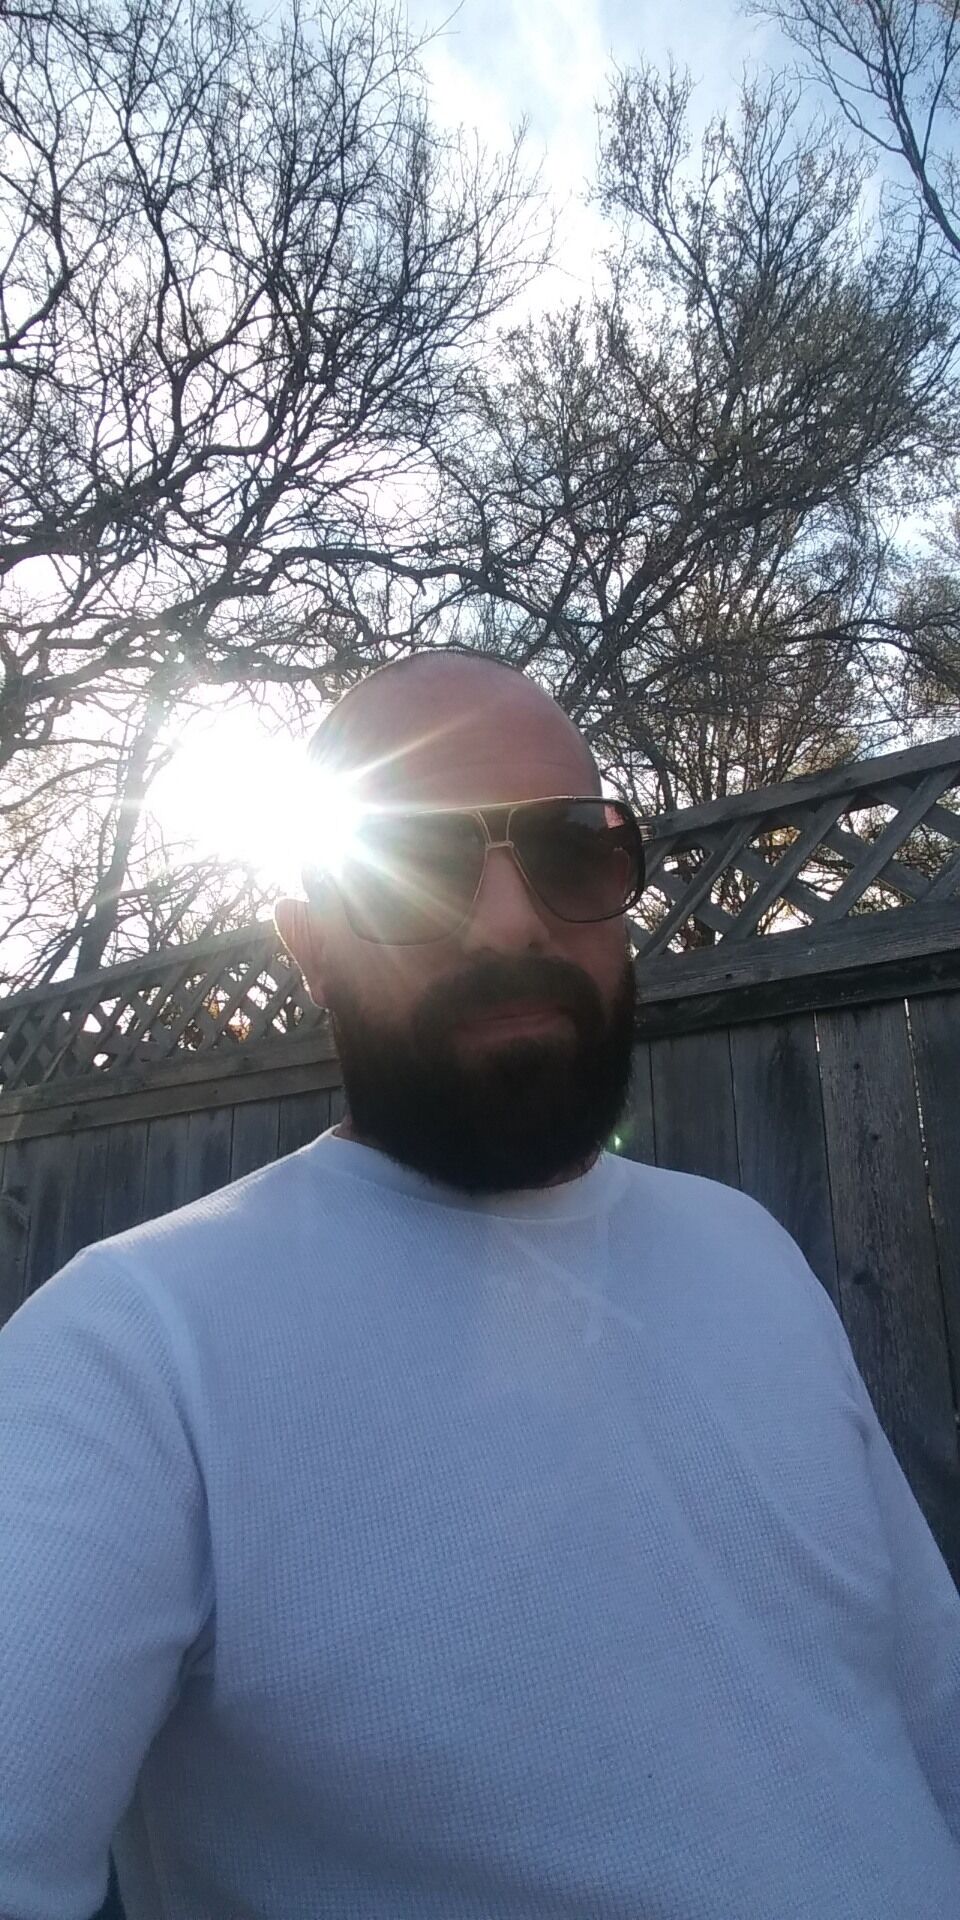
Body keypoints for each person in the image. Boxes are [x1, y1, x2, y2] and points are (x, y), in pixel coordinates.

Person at [1, 649, 959, 1920]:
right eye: (412, 857)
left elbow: (932, 1702)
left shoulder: (750, 1251)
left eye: (572, 849)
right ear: (310, 948)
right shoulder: (129, 1352)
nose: (510, 923)